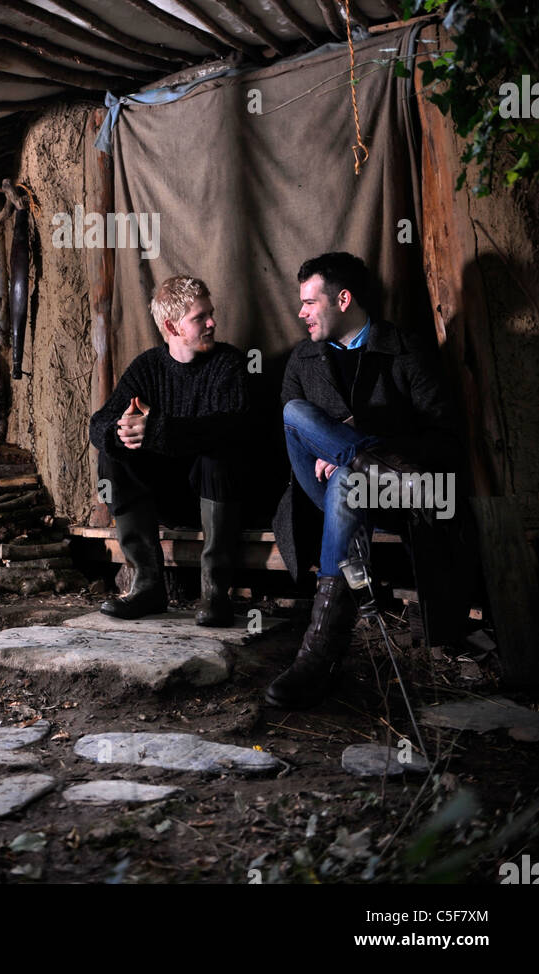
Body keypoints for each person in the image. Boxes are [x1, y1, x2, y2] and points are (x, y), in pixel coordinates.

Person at [267, 251, 462, 709]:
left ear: (343, 299)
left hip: (398, 494)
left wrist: (352, 453)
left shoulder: (404, 348)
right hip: (319, 487)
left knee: (349, 482)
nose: (301, 313)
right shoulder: (303, 358)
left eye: (310, 303)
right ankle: (361, 460)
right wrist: (346, 447)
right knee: (296, 414)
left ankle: (317, 660)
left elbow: (443, 437)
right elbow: (296, 436)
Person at [89, 276, 255, 625]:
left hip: (221, 497)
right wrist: (124, 433)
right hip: (166, 500)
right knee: (114, 453)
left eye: (211, 314)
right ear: (171, 326)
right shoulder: (147, 368)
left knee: (217, 452)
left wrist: (157, 429)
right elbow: (98, 423)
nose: (212, 323)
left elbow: (234, 425)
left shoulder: (230, 364)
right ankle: (147, 586)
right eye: (200, 318)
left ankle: (215, 594)